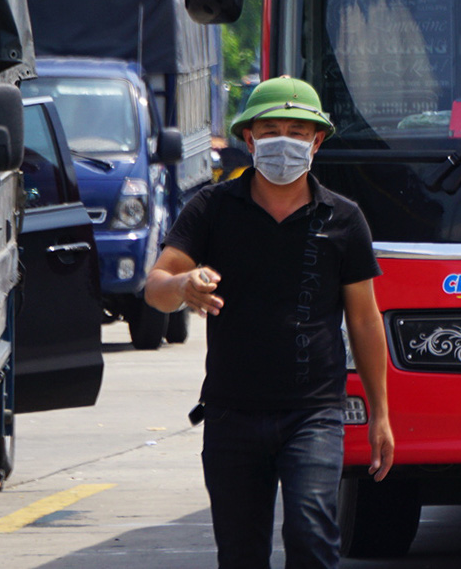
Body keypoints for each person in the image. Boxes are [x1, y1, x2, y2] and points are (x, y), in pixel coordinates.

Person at [145, 76, 395, 569]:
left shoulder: (343, 219)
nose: (285, 140)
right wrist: (184, 285)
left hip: (314, 415)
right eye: (271, 129)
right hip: (231, 415)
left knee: (310, 534)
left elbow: (365, 322)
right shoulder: (212, 209)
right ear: (249, 139)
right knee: (241, 553)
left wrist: (381, 414)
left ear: (317, 141)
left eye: (298, 132)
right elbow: (156, 287)